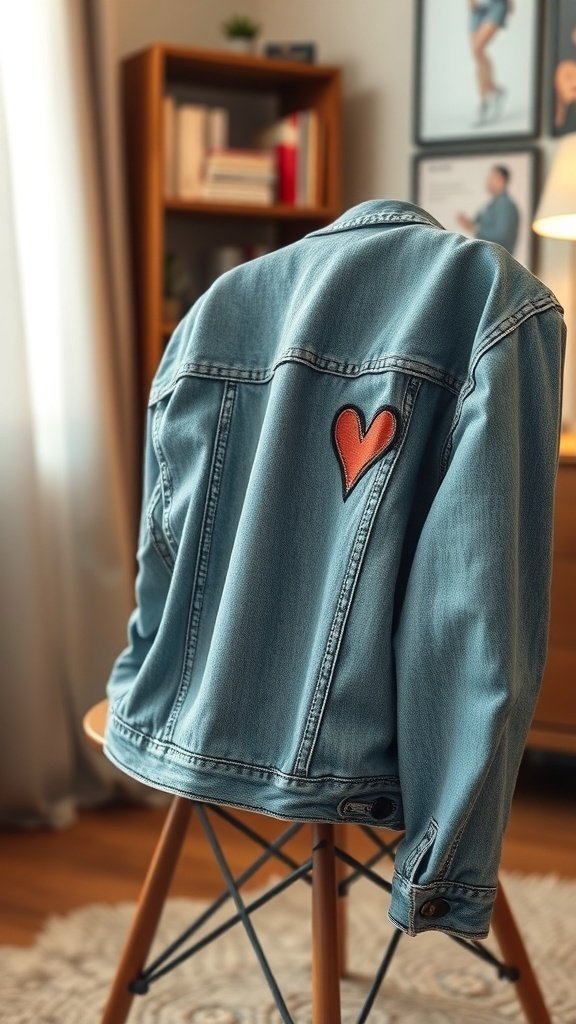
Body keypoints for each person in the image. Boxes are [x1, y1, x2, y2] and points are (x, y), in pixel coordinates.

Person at [468, 0, 513, 126]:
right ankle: (495, 92)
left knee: (478, 48)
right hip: (476, 7)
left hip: (496, 4)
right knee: (477, 54)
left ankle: (485, 104)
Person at [457, 164, 520, 254]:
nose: (488, 182)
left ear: (501, 180)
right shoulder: (493, 204)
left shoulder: (504, 205)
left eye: (492, 178)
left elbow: (501, 235)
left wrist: (475, 228)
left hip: (498, 259)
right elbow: (477, 220)